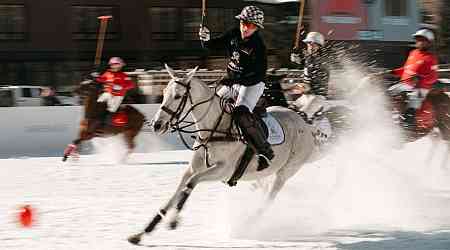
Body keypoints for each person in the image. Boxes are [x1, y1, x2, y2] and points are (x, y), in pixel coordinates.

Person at [198, 5, 273, 170]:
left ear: (257, 27)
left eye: (251, 25)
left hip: (252, 84)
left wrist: (235, 81)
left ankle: (265, 151)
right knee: (213, 104)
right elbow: (213, 46)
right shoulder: (233, 34)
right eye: (244, 22)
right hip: (233, 81)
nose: (246, 27)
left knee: (240, 113)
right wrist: (205, 39)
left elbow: (258, 75)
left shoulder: (258, 46)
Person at [388, 28, 439, 127]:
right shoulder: (413, 53)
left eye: (421, 40)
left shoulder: (431, 58)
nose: (418, 42)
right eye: (417, 39)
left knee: (414, 98)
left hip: (420, 87)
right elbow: (406, 69)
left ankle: (408, 123)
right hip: (404, 84)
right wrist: (391, 72)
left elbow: (433, 77)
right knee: (387, 93)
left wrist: (421, 78)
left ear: (429, 43)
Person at [289, 31, 330, 124]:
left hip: (317, 98)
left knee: (301, 117)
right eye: (308, 44)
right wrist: (295, 55)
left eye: (313, 44)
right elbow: (302, 61)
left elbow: (314, 84)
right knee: (290, 111)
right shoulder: (309, 57)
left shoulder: (321, 62)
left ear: (319, 46)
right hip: (306, 96)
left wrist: (301, 87)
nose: (310, 46)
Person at [96, 57, 136, 125]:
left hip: (118, 96)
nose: (115, 66)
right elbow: (100, 79)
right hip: (108, 93)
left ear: (120, 66)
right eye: (113, 64)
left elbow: (132, 85)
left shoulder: (124, 76)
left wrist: (122, 87)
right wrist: (96, 76)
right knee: (98, 103)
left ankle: (107, 123)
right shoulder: (107, 73)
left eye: (118, 65)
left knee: (112, 109)